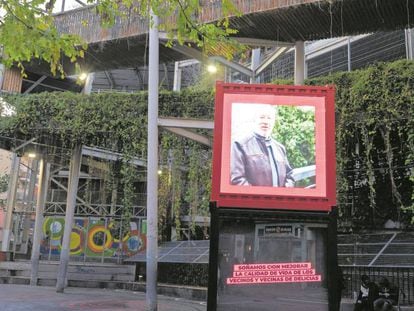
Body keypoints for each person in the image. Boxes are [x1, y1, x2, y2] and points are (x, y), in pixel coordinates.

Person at [230, 104, 293, 187]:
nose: (266, 122)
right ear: (254, 120)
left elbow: (290, 175)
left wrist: (284, 193)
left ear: (273, 122)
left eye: (269, 118)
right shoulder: (240, 145)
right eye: (262, 117)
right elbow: (237, 179)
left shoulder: (280, 148)